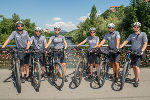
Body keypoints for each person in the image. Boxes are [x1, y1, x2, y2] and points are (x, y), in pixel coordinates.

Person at [120, 22, 148, 87]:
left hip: (139, 53)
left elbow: (145, 43)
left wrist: (142, 51)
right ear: (133, 27)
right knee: (133, 66)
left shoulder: (143, 34)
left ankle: (136, 80)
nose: (136, 28)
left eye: (137, 27)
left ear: (139, 28)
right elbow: (126, 41)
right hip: (132, 52)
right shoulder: (131, 35)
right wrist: (120, 47)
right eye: (135, 26)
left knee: (136, 66)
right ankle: (135, 77)